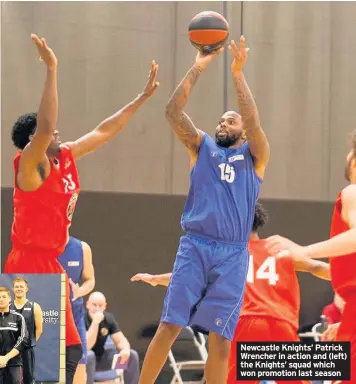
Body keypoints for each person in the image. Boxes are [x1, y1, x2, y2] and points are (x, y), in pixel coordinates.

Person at [4, 34, 159, 383]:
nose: (58, 133)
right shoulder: (29, 166)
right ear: (35, 143)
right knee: (35, 356)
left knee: (72, 352)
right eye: (50, 134)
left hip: (50, 263)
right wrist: (52, 69)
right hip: (28, 264)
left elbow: (105, 131)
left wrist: (142, 98)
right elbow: (44, 126)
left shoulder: (66, 157)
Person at [137, 35, 270, 384]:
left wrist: (238, 74)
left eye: (231, 121)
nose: (224, 123)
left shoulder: (255, 157)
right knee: (169, 325)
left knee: (221, 341)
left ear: (242, 131)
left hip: (232, 253)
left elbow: (254, 123)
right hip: (195, 245)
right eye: (221, 120)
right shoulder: (202, 147)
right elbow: (172, 112)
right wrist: (198, 65)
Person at [132, 202, 330, 384]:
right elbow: (317, 267)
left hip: (245, 322)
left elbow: (191, 280)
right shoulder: (279, 249)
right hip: (281, 323)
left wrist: (157, 279)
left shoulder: (227, 252)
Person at [265, 129, 356, 383]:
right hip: (342, 325)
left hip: (274, 337)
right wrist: (312, 264)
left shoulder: (352, 192)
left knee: (257, 360)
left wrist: (304, 251)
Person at [58, 236, 95, 384]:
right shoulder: (42, 247)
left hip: (74, 317)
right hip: (49, 316)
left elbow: (90, 280)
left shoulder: (82, 247)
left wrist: (79, 291)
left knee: (79, 362)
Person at [85, 292, 140, 384]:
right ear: (87, 305)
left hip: (103, 358)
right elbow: (87, 346)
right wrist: (95, 323)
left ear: (105, 306)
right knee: (89, 355)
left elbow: (120, 340)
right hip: (84, 360)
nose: (97, 309)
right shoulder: (81, 318)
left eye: (100, 305)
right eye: (94, 305)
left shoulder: (108, 318)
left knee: (131, 354)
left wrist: (125, 350)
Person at [9, 277, 43, 384]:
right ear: (13, 289)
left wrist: (28, 343)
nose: (19, 289)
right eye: (17, 287)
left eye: (21, 287)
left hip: (27, 350)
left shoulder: (35, 307)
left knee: (28, 378)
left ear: (26, 289)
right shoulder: (7, 307)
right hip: (10, 350)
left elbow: (39, 330)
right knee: (10, 378)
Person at [0, 286, 28, 384]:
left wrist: (6, 358)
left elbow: (23, 340)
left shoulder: (18, 318)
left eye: (4, 297)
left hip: (14, 364)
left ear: (9, 299)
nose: (1, 299)